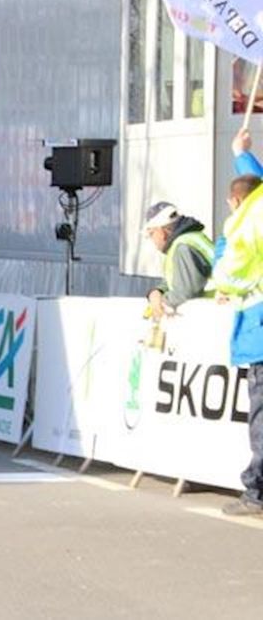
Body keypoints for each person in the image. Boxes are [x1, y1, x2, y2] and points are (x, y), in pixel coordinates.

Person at [212, 170, 263, 517]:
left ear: (235, 201)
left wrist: (224, 284)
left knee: (260, 417)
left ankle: (256, 491)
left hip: (258, 333)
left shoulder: (244, 227)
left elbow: (228, 274)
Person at [142, 202, 213, 320]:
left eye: (151, 234)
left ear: (161, 231)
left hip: (214, 313)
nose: (152, 240)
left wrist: (161, 303)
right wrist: (157, 291)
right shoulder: (188, 241)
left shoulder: (183, 248)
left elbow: (186, 292)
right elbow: (180, 279)